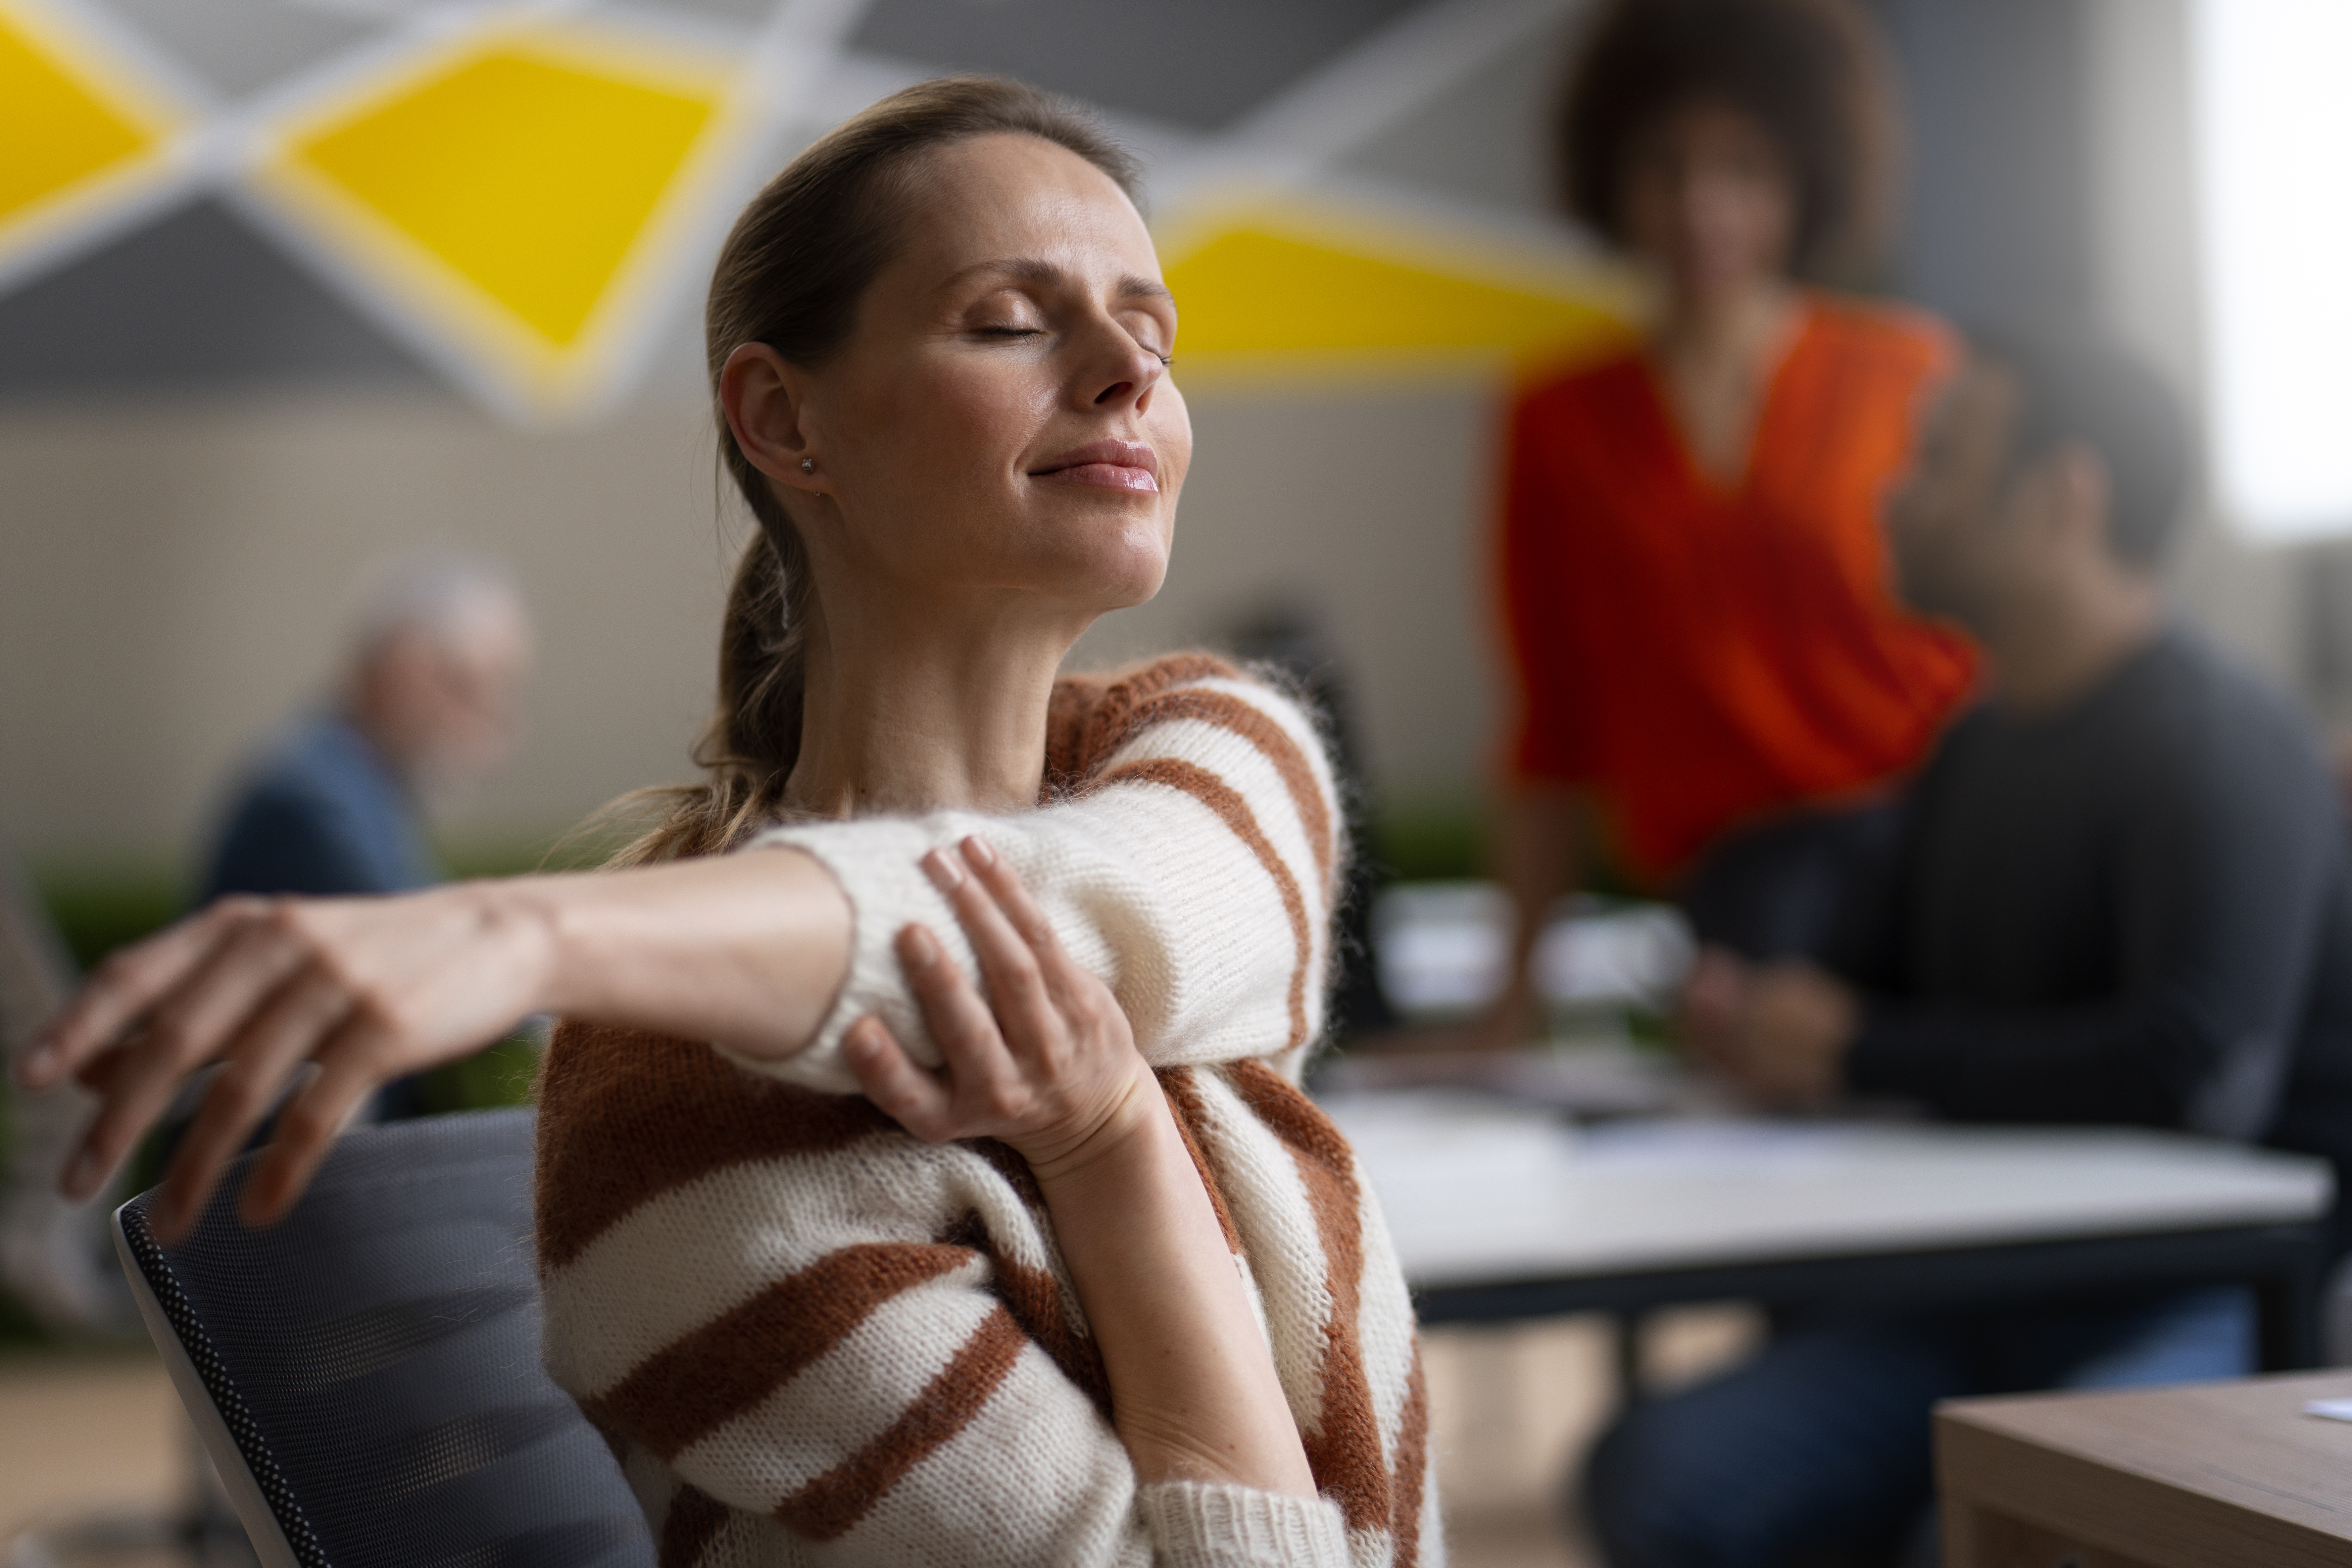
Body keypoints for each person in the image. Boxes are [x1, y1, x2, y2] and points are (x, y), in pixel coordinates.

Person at [20, 78, 1435, 1568]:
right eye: (1014, 320)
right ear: (785, 418)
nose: (1123, 374)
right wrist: (1110, 1138)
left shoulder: (1210, 752)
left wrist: (522, 927)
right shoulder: (678, 1130)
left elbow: (1062, 925)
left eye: (1151, 331)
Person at [1584, 328, 2352, 1568]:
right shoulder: (1977, 746)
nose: (1896, 490)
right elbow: (1884, 988)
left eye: (1942, 457)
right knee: (1657, 1477)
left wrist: (1860, 1041)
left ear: (2063, 498)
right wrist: (1774, 1017)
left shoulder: (2221, 742)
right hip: (1984, 1289)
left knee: (2004, 1530)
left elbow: (2196, 1068)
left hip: (2200, 1285)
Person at [1487, 0, 1975, 1042]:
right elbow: (1549, 726)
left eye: (1743, 168)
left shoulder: (1910, 374)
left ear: (1803, 178)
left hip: (1936, 867)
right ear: (1610, 177)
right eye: (1664, 166)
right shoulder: (1554, 422)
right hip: (1733, 908)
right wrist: (1509, 1005)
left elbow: (1989, 655)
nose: (1700, 205)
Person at [198, 555, 532, 906]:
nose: (500, 716)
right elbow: (424, 934)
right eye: (480, 684)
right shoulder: (314, 801)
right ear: (407, 669)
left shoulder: (352, 778)